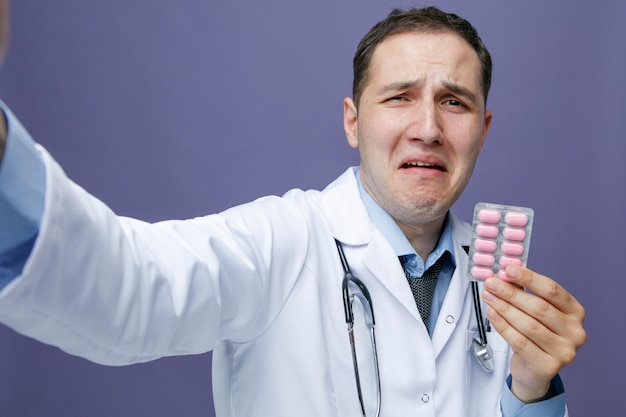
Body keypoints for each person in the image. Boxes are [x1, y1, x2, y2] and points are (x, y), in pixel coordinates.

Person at [0, 5, 586, 417]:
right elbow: (127, 286)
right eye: (399, 96)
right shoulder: (280, 241)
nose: (428, 128)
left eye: (453, 102)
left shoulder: (506, 288)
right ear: (353, 121)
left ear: (482, 130)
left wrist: (533, 392)